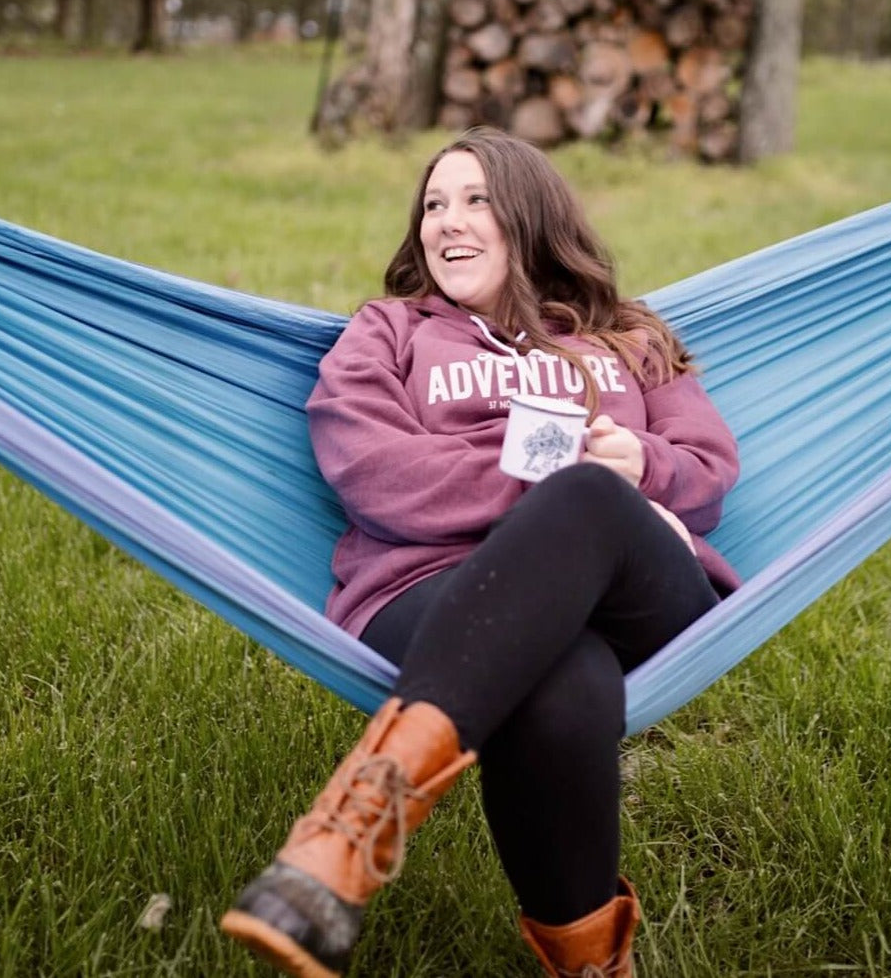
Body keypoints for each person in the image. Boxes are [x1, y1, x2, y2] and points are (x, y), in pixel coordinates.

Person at [221, 128, 740, 977]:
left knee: (587, 495)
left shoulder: (629, 340)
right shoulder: (389, 333)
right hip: (430, 594)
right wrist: (551, 484)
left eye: (475, 201)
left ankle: (350, 834)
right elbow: (376, 472)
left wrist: (640, 468)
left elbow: (711, 472)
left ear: (531, 217)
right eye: (432, 205)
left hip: (637, 594)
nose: (447, 223)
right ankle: (592, 964)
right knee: (562, 682)